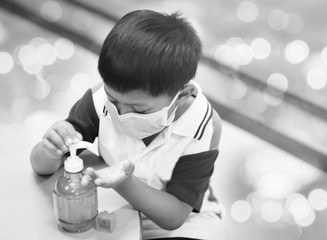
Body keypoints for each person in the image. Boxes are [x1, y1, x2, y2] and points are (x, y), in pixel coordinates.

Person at [30, 9, 227, 240]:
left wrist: (124, 183)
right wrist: (50, 148)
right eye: (114, 101)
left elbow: (174, 217)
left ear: (183, 94)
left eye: (139, 109)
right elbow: (41, 166)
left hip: (184, 222)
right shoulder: (98, 100)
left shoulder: (202, 126)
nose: (121, 114)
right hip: (116, 207)